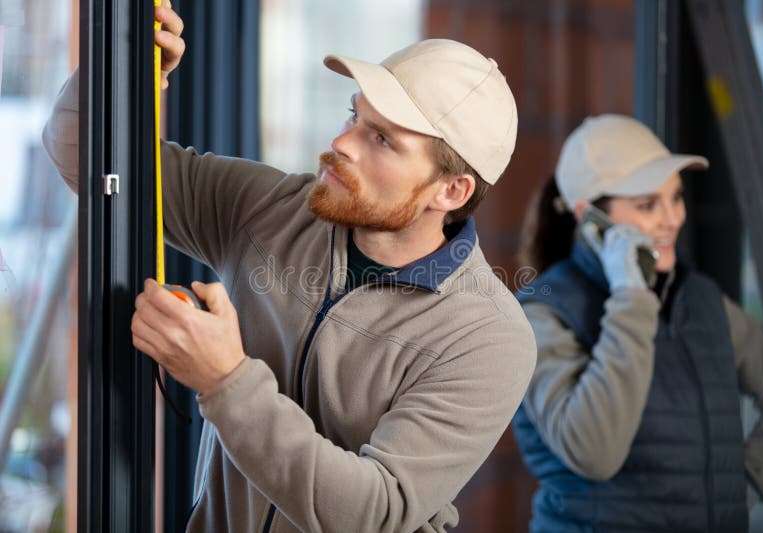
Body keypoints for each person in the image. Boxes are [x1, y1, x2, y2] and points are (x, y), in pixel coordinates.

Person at [42, 5, 538, 532]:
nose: (342, 143)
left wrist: (226, 381)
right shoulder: (273, 208)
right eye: (355, 115)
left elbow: (372, 513)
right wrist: (130, 74)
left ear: (451, 190)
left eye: (383, 139)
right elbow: (81, 158)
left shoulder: (487, 337)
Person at [511, 114, 763, 532]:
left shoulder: (699, 300)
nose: (672, 219)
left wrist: (750, 479)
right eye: (647, 204)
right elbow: (594, 451)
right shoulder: (543, 314)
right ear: (590, 220)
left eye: (676, 197)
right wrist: (631, 298)